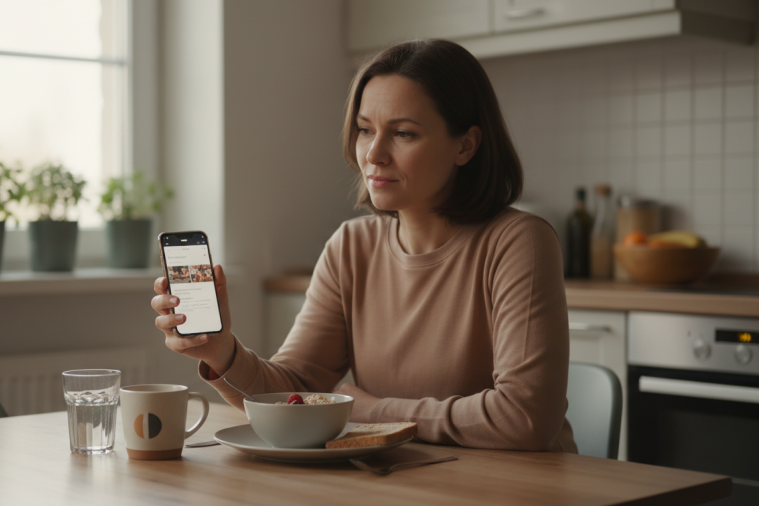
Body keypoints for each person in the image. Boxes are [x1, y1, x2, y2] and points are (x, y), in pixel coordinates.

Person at [152, 39, 576, 452]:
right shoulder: (351, 246)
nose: (373, 154)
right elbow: (296, 392)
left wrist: (372, 412)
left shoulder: (520, 242)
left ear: (465, 145)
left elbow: (525, 417)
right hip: (405, 482)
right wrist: (222, 351)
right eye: (364, 130)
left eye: (404, 134)